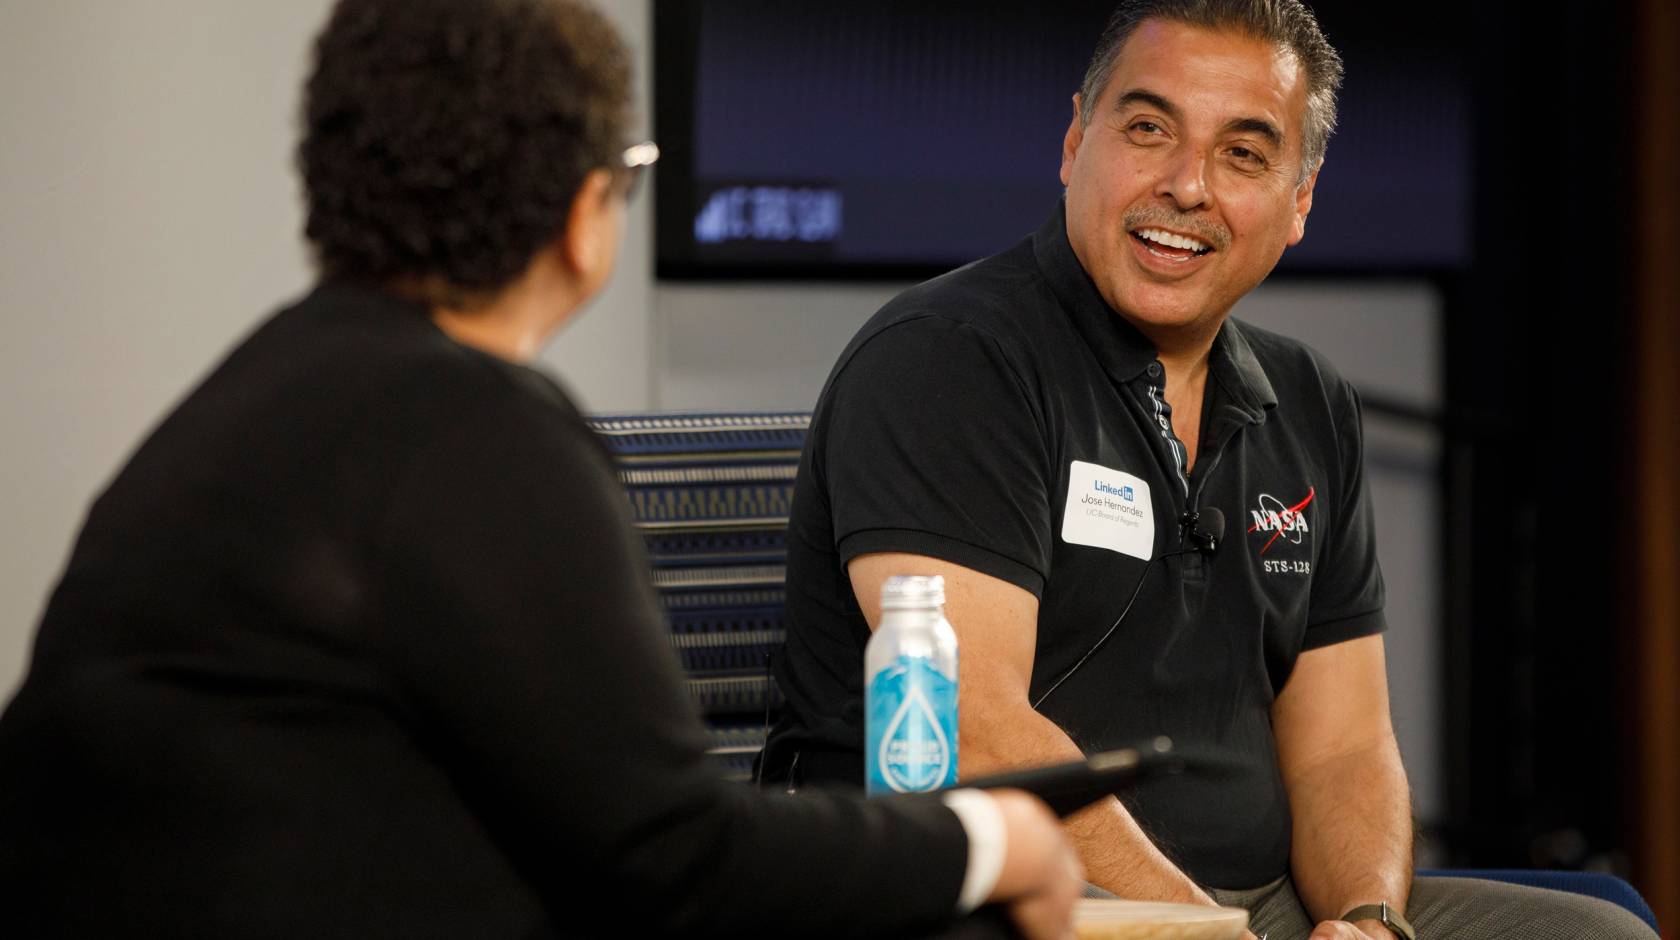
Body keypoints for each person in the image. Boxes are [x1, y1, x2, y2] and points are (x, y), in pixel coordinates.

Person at [0, 1, 1086, 937]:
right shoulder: (476, 432)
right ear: (584, 215)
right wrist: (992, 839)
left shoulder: (247, 397)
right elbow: (682, 863)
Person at [759, 2, 1657, 939]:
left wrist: (1368, 920)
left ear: (1300, 200)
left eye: (1243, 153)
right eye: (1148, 129)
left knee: (1599, 931)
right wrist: (1200, 933)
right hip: (1001, 896)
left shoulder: (1311, 401)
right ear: (1075, 141)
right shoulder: (948, 358)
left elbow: (1344, 752)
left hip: (1251, 910)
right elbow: (977, 732)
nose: (1186, 185)